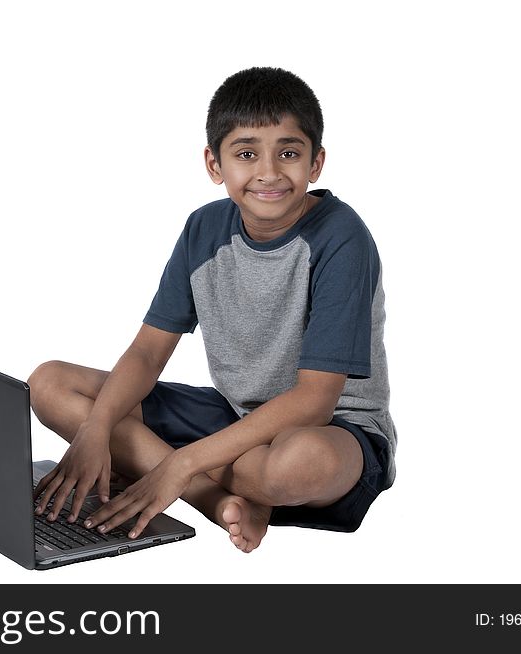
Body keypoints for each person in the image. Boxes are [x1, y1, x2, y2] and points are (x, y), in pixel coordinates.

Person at [29, 67, 396, 553]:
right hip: (234, 416)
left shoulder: (342, 237)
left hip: (334, 432)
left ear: (316, 162)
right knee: (49, 383)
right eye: (247, 154)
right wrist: (95, 431)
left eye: (288, 153)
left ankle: (174, 475)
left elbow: (314, 402)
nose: (268, 172)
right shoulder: (203, 230)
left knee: (300, 463)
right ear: (214, 163)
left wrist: (177, 464)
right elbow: (146, 353)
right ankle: (219, 501)